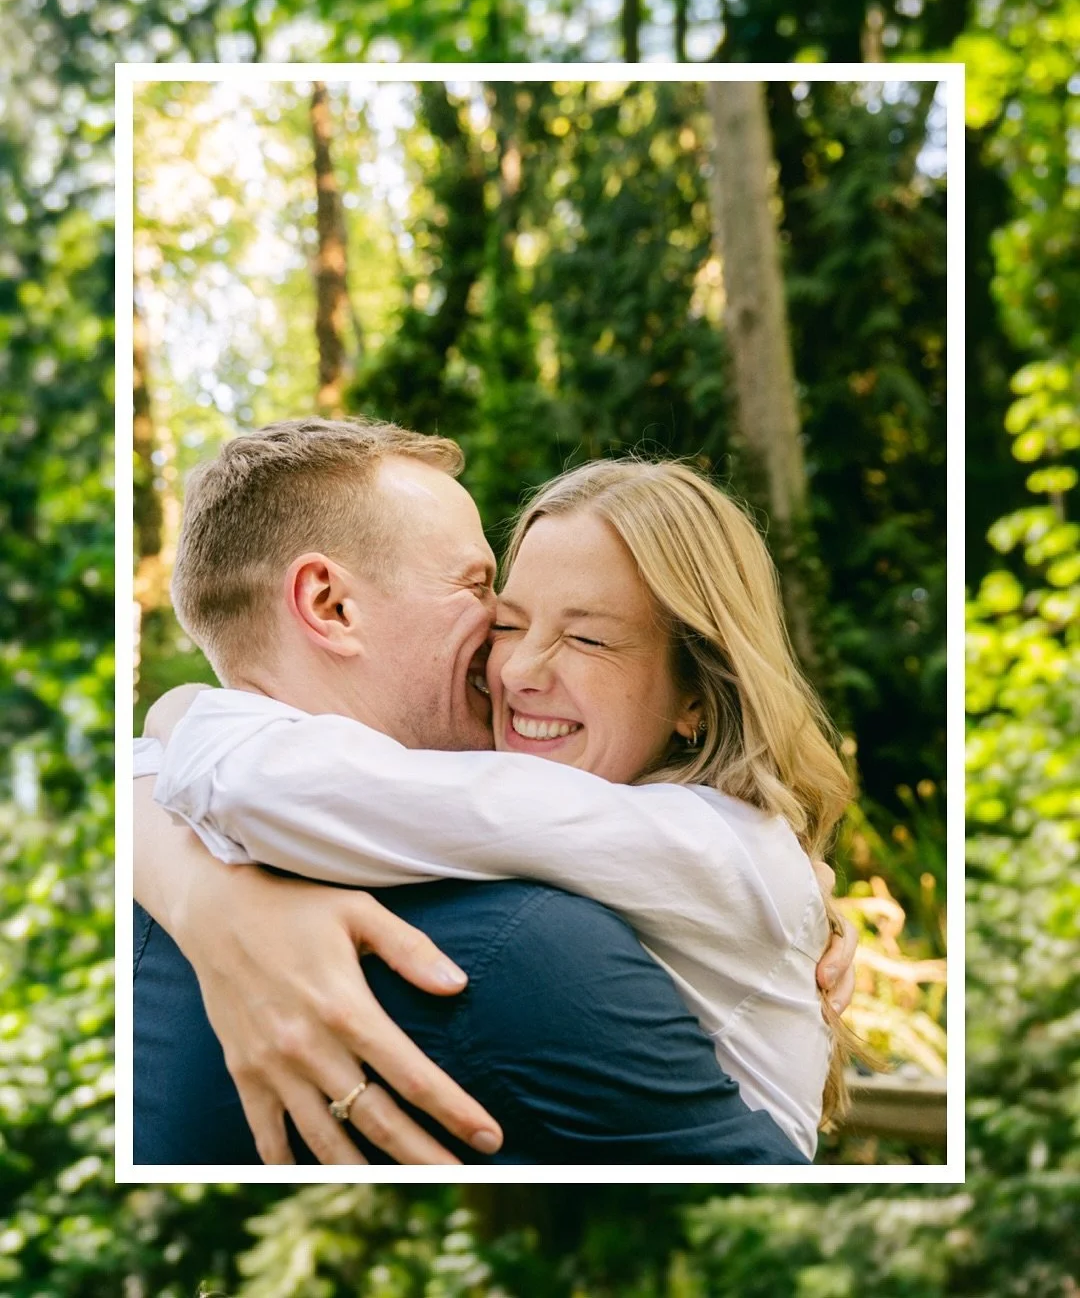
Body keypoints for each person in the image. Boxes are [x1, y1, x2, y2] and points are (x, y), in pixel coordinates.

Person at [133, 418, 857, 1165]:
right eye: (501, 611)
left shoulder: (694, 850)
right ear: (329, 605)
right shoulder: (523, 919)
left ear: (698, 695)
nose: (513, 669)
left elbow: (259, 780)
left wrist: (173, 724)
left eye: (589, 638)